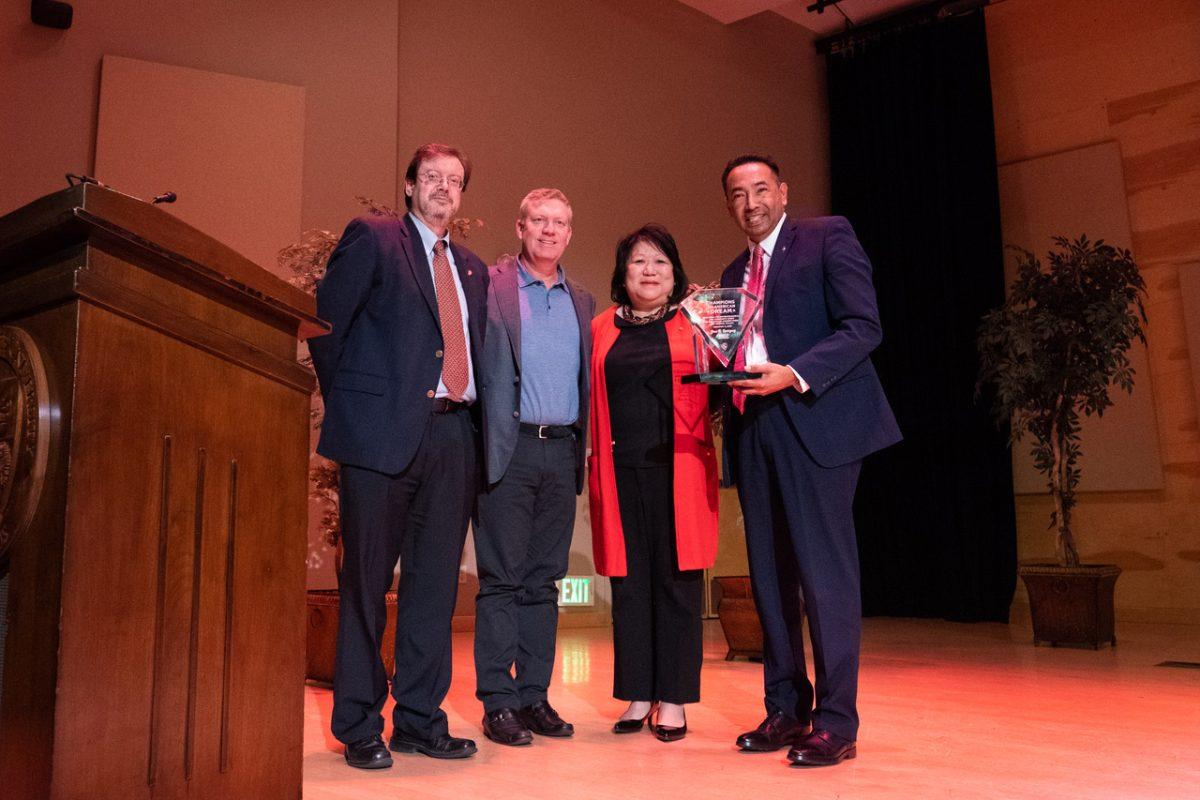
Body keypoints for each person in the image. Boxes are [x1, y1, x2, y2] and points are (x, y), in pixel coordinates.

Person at [309, 142, 488, 769]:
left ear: (462, 194)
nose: (443, 187)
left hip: (452, 438)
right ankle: (357, 723)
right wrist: (357, 411)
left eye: (454, 180)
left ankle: (418, 719)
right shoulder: (376, 238)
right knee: (365, 584)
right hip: (379, 438)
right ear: (410, 186)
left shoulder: (469, 267)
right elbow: (325, 328)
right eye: (431, 177)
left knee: (434, 590)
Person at [719, 154, 901, 766]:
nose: (751, 202)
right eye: (739, 195)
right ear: (730, 206)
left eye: (761, 189)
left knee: (825, 578)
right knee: (769, 580)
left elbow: (863, 327)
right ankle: (785, 710)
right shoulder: (729, 274)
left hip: (815, 422)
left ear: (783, 192)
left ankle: (837, 722)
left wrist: (793, 375)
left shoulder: (827, 236)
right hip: (755, 431)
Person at [588, 224, 719, 743]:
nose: (649, 271)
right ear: (623, 272)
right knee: (629, 586)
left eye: (660, 262)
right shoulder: (601, 327)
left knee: (678, 583)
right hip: (620, 473)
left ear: (675, 273)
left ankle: (675, 700)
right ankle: (639, 692)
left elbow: (729, 374)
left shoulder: (697, 322)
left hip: (680, 470)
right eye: (639, 261)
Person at [474, 188, 595, 746]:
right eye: (539, 221)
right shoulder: (491, 287)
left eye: (560, 223)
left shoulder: (583, 301)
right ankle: (498, 702)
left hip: (561, 450)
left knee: (544, 583)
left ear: (570, 234)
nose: (550, 230)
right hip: (510, 449)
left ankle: (534, 697)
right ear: (520, 227)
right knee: (501, 582)